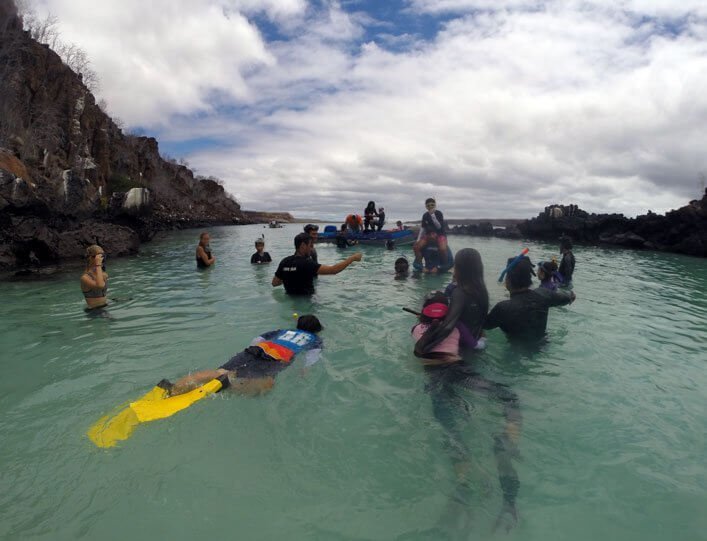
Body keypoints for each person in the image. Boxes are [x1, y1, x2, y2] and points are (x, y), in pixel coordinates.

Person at [411, 291, 522, 531]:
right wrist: (479, 339)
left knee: (450, 428)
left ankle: (462, 482)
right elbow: (477, 346)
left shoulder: (417, 330)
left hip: (434, 378)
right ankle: (509, 439)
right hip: (461, 371)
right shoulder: (457, 326)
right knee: (508, 397)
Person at [167, 315, 324, 397]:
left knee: (221, 371)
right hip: (277, 357)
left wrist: (250, 351)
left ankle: (174, 388)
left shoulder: (284, 330)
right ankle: (228, 386)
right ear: (316, 329)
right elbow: (313, 355)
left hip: (256, 349)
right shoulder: (315, 339)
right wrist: (306, 369)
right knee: (266, 386)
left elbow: (259, 338)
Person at [415, 248, 489, 356]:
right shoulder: (482, 291)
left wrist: (422, 346)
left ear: (460, 269)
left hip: (458, 346)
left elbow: (448, 326)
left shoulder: (459, 292)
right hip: (475, 342)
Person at [484, 256, 575, 342]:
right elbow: (568, 298)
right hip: (543, 346)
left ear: (508, 280)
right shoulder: (544, 294)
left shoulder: (503, 308)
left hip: (517, 353)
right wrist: (571, 295)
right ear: (529, 278)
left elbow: (482, 325)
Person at [272, 233, 363, 295]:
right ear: (303, 245)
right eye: (310, 245)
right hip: (307, 303)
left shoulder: (284, 261)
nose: (311, 248)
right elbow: (334, 270)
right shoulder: (307, 264)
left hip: (290, 303)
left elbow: (275, 283)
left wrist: (291, 276)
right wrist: (353, 258)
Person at [413, 198, 448, 273]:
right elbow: (423, 228)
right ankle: (420, 265)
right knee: (416, 247)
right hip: (428, 235)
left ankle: (443, 265)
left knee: (443, 249)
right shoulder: (425, 215)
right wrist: (418, 240)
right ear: (426, 206)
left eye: (432, 205)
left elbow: (439, 227)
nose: (430, 207)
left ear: (435, 205)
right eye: (428, 205)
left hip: (440, 235)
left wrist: (433, 215)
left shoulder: (439, 213)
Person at [80, 244, 108, 309]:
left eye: (103, 255)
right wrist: (98, 264)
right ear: (90, 258)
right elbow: (100, 285)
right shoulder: (85, 278)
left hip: (105, 306)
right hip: (94, 311)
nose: (101, 258)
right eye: (99, 256)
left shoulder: (103, 274)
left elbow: (102, 294)